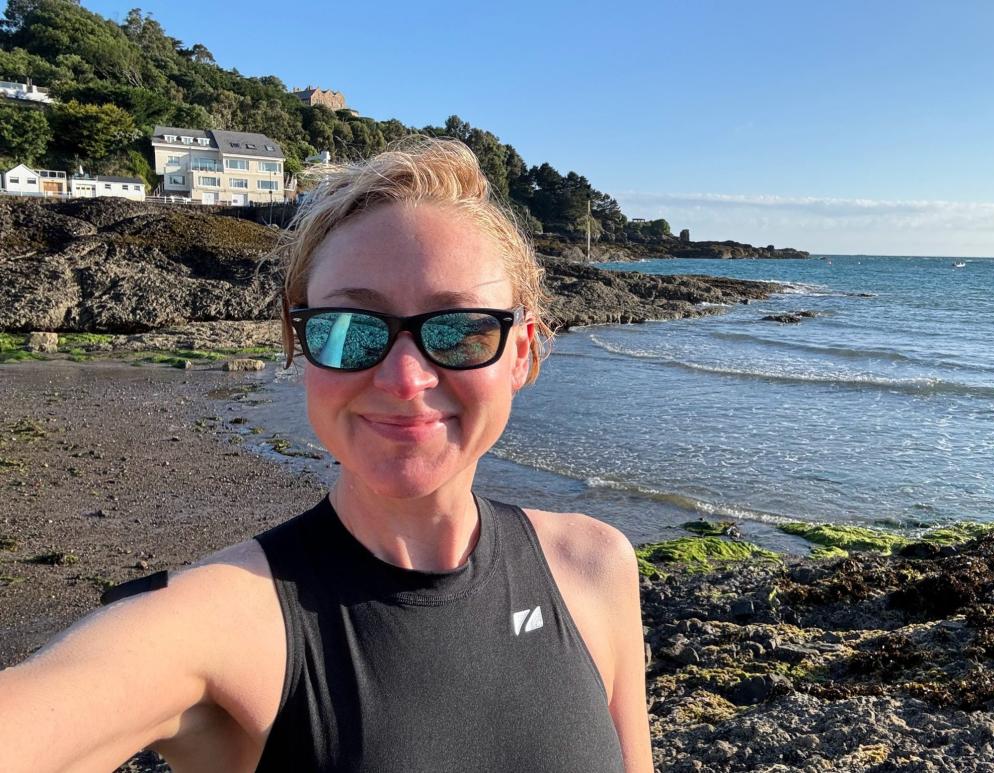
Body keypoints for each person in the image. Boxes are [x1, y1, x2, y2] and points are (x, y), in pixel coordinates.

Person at [0, 139, 654, 772]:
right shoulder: (223, 620)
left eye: (459, 330)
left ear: (521, 351)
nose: (405, 379)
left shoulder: (595, 567)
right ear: (298, 341)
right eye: (350, 329)